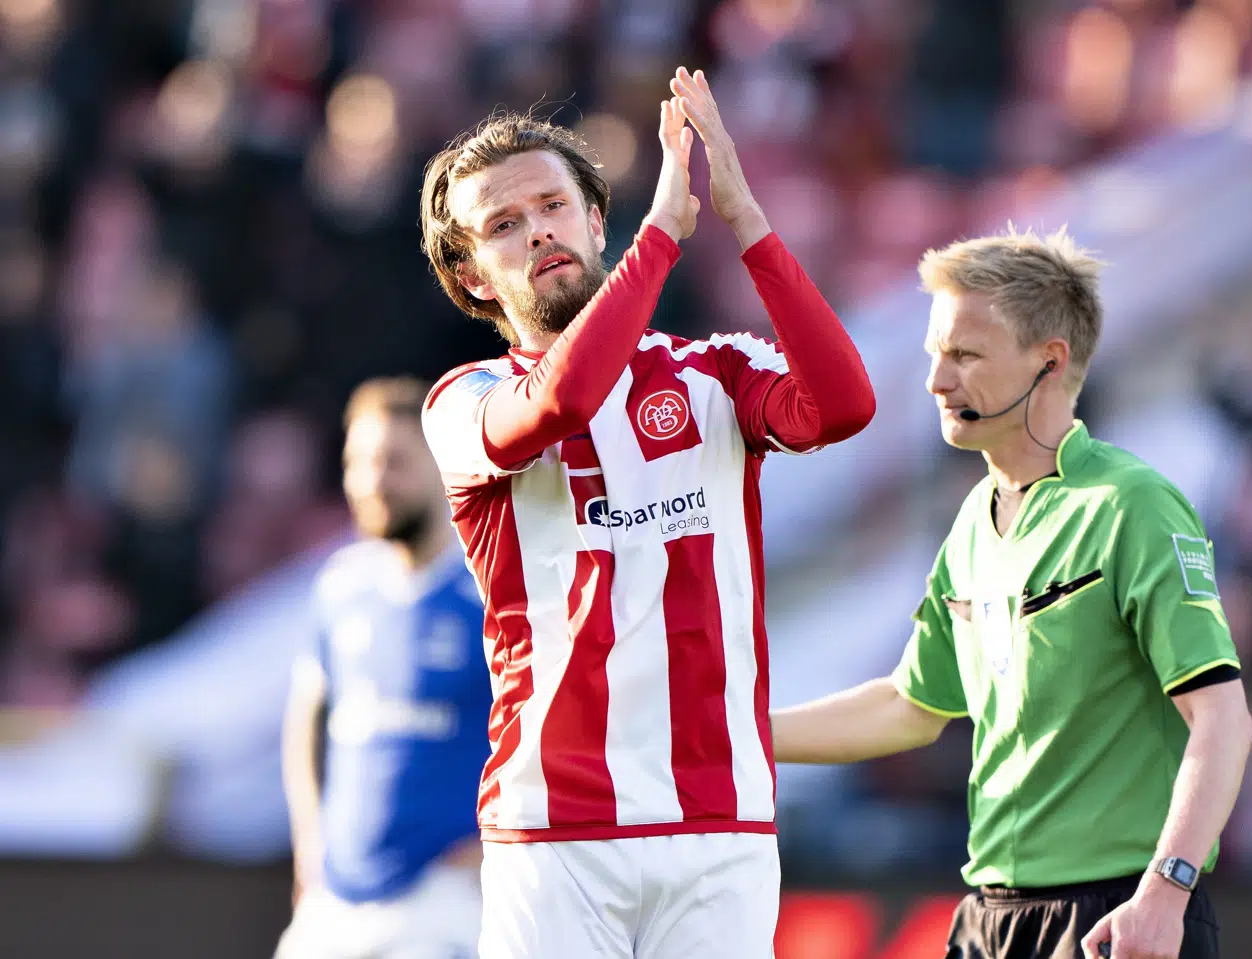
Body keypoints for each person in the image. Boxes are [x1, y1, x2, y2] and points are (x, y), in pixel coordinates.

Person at [418, 67, 875, 958]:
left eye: (553, 205)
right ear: (471, 276)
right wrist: (663, 235)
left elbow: (845, 405)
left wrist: (747, 221)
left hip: (720, 821)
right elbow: (561, 403)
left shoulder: (712, 373)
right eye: (503, 226)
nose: (538, 230)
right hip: (555, 827)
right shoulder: (463, 401)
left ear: (595, 221)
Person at [769, 229, 1252, 959]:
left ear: (1049, 362)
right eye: (936, 353)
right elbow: (912, 705)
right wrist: (734, 729)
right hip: (989, 918)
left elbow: (1224, 720)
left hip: (1116, 917)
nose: (936, 379)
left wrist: (1166, 890)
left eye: (964, 354)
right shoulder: (972, 521)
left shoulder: (1132, 506)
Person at [276, 378, 492, 959]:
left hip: (443, 898)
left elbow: (552, 724)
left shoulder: (488, 590)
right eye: (359, 462)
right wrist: (309, 843)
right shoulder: (340, 585)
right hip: (338, 895)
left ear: (440, 467)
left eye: (394, 462)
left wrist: (498, 846)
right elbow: (305, 721)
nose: (373, 481)